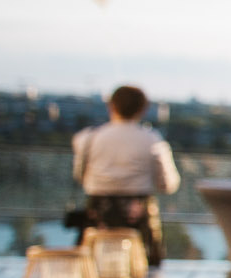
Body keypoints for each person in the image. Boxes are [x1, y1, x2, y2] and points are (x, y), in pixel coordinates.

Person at [71, 85, 180, 265]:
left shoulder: (87, 139)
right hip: (138, 219)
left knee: (92, 269)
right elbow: (168, 184)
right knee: (143, 270)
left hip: (97, 215)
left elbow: (79, 176)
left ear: (111, 106)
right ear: (142, 110)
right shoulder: (152, 140)